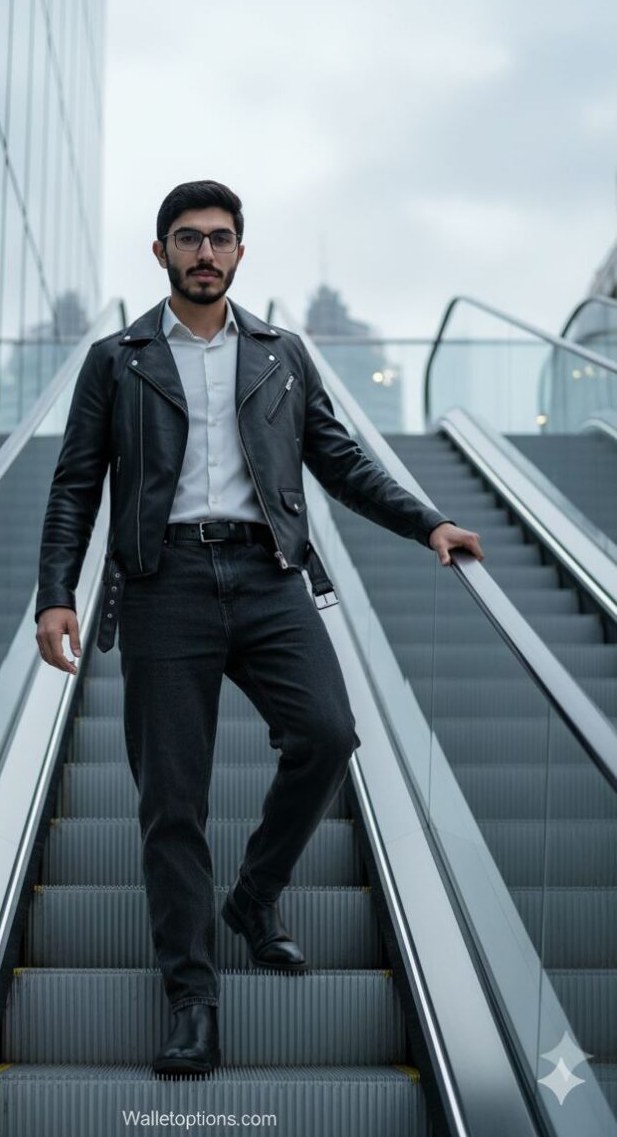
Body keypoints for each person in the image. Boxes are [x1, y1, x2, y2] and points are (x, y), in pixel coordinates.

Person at [34, 179, 484, 1076]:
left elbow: (340, 457)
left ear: (241, 252)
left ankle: (255, 895)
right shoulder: (115, 360)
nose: (206, 252)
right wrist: (57, 592)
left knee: (326, 733)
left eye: (222, 238)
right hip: (162, 584)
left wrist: (427, 519)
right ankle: (191, 998)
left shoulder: (282, 354)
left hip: (270, 573)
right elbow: (76, 483)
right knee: (174, 799)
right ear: (158, 252)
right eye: (189, 238)